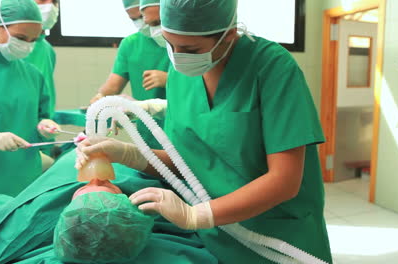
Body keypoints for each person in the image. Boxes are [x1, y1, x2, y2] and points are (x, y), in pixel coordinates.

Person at [76, 0, 333, 263]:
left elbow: (284, 181)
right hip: (213, 233)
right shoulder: (180, 72)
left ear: (228, 35)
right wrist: (128, 154)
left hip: (277, 235)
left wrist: (196, 215)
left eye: (190, 48)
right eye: (169, 43)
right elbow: (192, 163)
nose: (176, 56)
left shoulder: (272, 67)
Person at [0, 149, 218, 264]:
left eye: (80, 194)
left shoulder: (36, 224)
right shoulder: (175, 233)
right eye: (110, 189)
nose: (96, 178)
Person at [0, 0, 60, 201]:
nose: (27, 46)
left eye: (33, 39)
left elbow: (40, 116)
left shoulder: (32, 74)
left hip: (25, 185)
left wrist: (44, 126)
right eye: (21, 37)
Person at [89, 0, 170, 149]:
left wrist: (169, 80)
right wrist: (99, 99)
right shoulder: (131, 44)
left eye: (155, 21)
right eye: (134, 19)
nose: (143, 23)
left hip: (181, 130)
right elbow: (113, 85)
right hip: (148, 132)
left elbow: (202, 87)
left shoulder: (179, 41)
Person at [25, 0, 59, 119]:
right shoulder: (11, 49)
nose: (49, 4)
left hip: (42, 131)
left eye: (54, 1)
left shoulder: (47, 49)